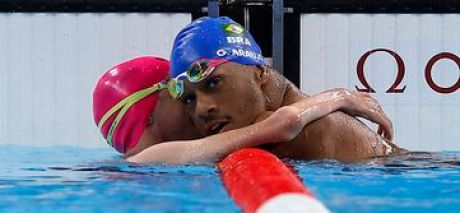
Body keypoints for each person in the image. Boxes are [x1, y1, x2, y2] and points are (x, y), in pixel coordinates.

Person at [169, 16, 405, 162]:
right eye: (189, 99)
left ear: (259, 72)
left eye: (213, 83)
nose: (202, 109)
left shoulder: (311, 129)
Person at [93, 56, 394, 164]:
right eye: (183, 96)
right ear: (150, 115)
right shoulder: (150, 160)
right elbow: (282, 123)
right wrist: (340, 96)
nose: (199, 108)